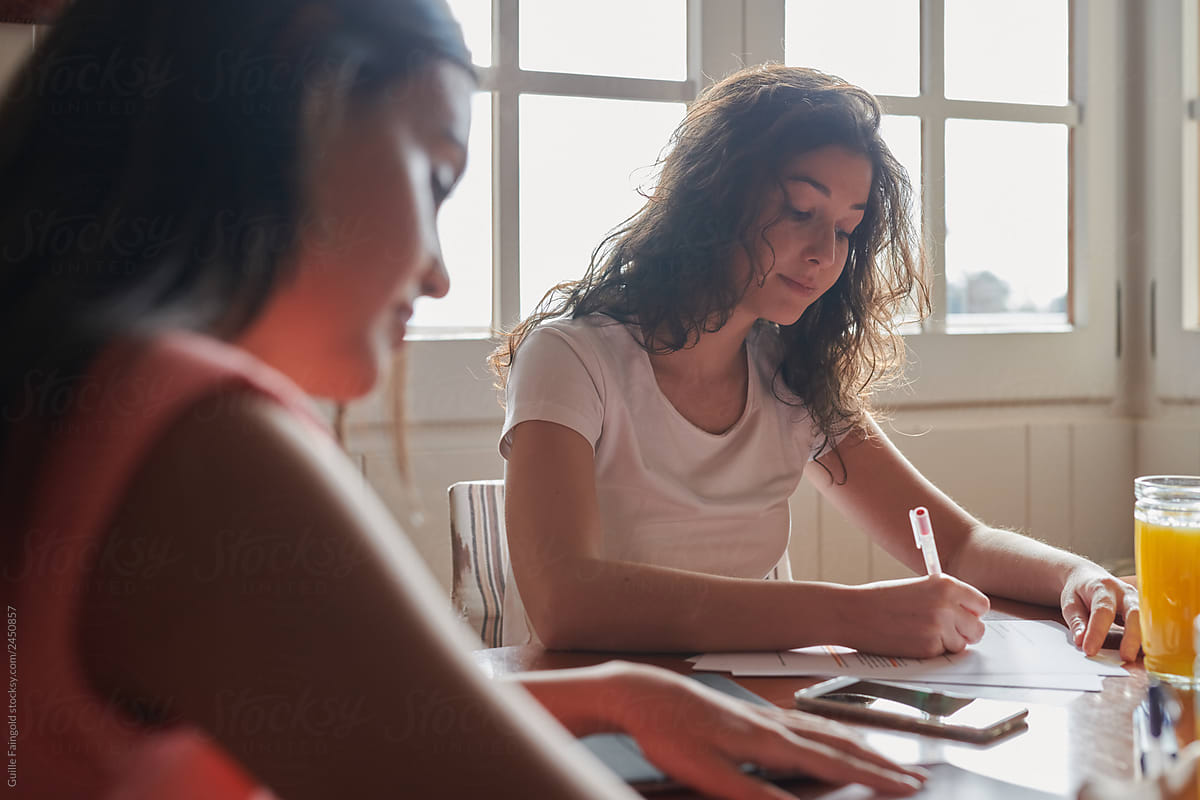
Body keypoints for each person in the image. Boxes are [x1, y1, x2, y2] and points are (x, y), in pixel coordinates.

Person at [0, 1, 928, 798]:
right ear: (291, 113)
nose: (439, 274)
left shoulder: (76, 408)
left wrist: (609, 695)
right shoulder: (201, 450)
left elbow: (357, 709)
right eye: (435, 175)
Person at [493, 65, 1142, 661]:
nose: (824, 254)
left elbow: (959, 545)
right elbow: (564, 604)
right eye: (800, 211)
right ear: (713, 197)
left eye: (844, 229)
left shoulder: (789, 377)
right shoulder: (570, 357)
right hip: (603, 726)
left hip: (756, 702)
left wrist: (1078, 575)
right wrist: (850, 615)